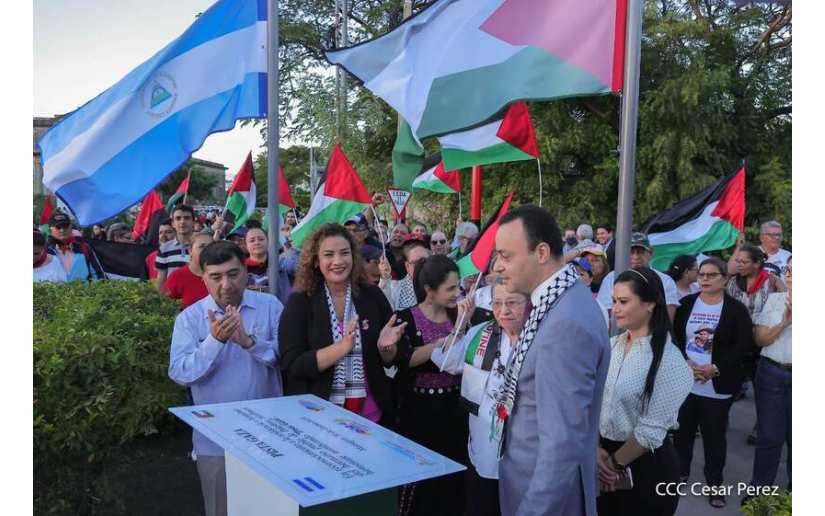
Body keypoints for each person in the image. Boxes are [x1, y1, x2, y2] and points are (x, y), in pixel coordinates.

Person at [492, 205, 610, 516]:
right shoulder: (560, 300)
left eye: (505, 256)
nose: (498, 266)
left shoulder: (565, 322)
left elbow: (561, 445)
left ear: (541, 252)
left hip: (545, 500)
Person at [168, 240, 284, 516]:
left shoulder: (270, 306)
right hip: (215, 442)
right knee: (220, 509)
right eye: (216, 277)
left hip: (269, 436)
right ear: (203, 278)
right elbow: (180, 373)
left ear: (246, 271)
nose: (226, 285)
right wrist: (214, 342)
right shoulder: (189, 319)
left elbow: (286, 358)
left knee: (270, 509)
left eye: (233, 274)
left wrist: (249, 343)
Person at [279, 223, 408, 426]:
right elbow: (292, 365)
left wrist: (387, 349)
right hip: (317, 419)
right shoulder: (300, 301)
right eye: (329, 255)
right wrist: (341, 348)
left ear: (354, 257)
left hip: (372, 417)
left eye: (344, 253)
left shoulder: (372, 295)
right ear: (316, 261)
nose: (338, 261)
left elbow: (395, 356)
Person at [597, 267, 693, 516]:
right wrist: (596, 449)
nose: (615, 309)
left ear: (650, 304)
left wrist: (613, 464)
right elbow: (591, 402)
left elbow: (650, 431)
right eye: (614, 301)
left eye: (623, 302)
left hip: (646, 469)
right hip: (602, 459)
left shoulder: (670, 361)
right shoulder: (611, 346)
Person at [430, 279, 529, 516]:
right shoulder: (481, 332)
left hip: (523, 453)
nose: (503, 310)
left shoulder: (539, 336)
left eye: (512, 302)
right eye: (497, 303)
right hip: (483, 448)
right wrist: (461, 322)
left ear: (529, 303)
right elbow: (446, 362)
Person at [673, 257, 754, 509]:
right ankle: (679, 475)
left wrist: (715, 368)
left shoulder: (736, 309)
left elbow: (743, 345)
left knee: (714, 438)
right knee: (682, 434)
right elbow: (674, 337)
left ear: (725, 279)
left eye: (711, 275)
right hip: (686, 381)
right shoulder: (687, 304)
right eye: (701, 275)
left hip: (717, 385)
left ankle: (714, 484)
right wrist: (686, 363)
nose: (705, 279)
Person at [395, 255, 473, 516]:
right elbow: (405, 360)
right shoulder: (405, 318)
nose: (457, 293)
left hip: (455, 410)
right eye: (450, 288)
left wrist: (463, 325)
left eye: (458, 286)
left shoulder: (460, 314)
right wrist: (441, 343)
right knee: (420, 482)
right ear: (429, 289)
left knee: (452, 481)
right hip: (419, 413)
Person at [747, 257, 792, 497]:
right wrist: (785, 322)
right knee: (769, 437)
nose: (790, 274)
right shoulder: (775, 300)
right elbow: (760, 339)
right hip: (772, 373)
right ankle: (759, 493)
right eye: (789, 269)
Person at [597, 233, 680, 321]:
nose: (635, 257)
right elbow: (604, 314)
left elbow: (667, 319)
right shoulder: (611, 278)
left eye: (640, 252)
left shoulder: (665, 281)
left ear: (651, 253)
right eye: (631, 252)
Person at [243, 226, 294, 304]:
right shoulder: (241, 269)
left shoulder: (281, 263)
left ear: (268, 241)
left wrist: (288, 240)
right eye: (252, 240)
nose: (257, 242)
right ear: (246, 245)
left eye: (261, 239)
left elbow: (295, 267)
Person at [47, 212, 104, 281]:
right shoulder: (45, 251)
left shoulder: (84, 247)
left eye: (65, 226)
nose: (62, 230)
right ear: (50, 229)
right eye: (58, 227)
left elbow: (98, 275)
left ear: (70, 227)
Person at [162, 233, 213, 309]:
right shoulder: (177, 276)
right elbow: (165, 308)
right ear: (190, 250)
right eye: (202, 246)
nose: (208, 250)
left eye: (211, 246)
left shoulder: (222, 273)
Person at [378, 239, 431, 311]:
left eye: (424, 261)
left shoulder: (441, 284)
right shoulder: (393, 288)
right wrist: (385, 278)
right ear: (407, 266)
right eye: (416, 263)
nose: (421, 266)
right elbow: (386, 309)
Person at [156, 205, 196, 286]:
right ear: (173, 224)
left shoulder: (202, 246)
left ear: (193, 222)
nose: (182, 222)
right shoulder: (163, 249)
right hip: (171, 293)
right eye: (178, 218)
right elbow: (161, 281)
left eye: (187, 218)